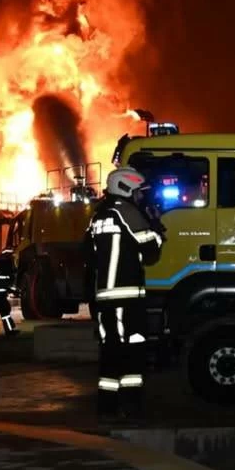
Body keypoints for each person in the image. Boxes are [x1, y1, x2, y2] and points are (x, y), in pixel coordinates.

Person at [86, 167, 165, 418]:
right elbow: (152, 252)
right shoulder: (128, 212)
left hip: (103, 300)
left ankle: (106, 407)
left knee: (110, 352)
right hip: (127, 299)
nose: (142, 198)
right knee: (133, 353)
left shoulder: (97, 217)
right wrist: (155, 225)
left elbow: (88, 255)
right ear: (126, 188)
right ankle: (131, 406)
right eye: (139, 192)